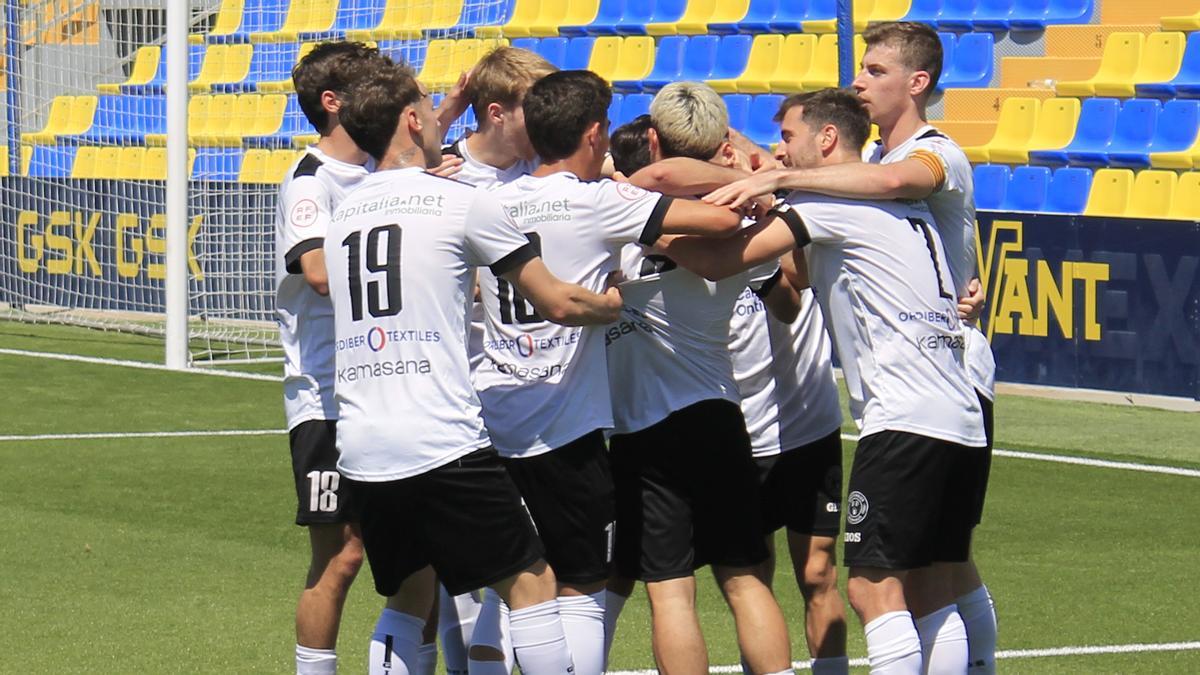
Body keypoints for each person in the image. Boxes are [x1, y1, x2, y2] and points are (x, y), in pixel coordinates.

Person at [656, 87, 988, 675]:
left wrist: (636, 226)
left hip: (904, 416)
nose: (779, 155)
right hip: (956, 411)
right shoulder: (893, 201)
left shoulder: (829, 205)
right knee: (929, 589)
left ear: (827, 139)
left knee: (871, 590)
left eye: (788, 139)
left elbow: (715, 262)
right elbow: (801, 275)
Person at [327, 60, 623, 675]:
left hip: (361, 441)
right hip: (439, 438)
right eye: (432, 108)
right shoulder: (462, 201)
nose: (441, 118)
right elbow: (559, 301)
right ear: (412, 120)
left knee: (409, 595)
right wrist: (618, 302)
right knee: (534, 585)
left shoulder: (345, 214)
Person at [475, 70, 745, 675]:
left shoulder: (488, 203)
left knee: (517, 586)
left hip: (495, 417)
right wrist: (751, 173)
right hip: (567, 428)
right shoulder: (596, 200)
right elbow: (724, 223)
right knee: (581, 585)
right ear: (595, 133)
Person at [604, 82, 793, 675]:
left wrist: (616, 186)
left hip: (647, 427)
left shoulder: (619, 204)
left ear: (652, 138)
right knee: (744, 580)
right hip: (719, 412)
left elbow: (652, 184)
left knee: (671, 590)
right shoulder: (747, 211)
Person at [428, 45, 559, 675]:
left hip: (537, 388)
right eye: (536, 110)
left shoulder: (547, 177)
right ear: (499, 113)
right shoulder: (447, 184)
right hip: (466, 390)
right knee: (478, 568)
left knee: (511, 570)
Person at [274, 41, 392, 675]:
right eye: (371, 81)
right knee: (343, 555)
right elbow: (318, 271)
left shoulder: (385, 170)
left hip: (394, 386)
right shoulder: (310, 179)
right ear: (333, 102)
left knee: (413, 552)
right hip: (325, 393)